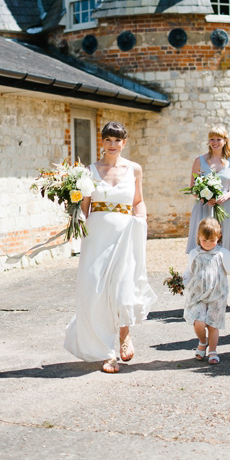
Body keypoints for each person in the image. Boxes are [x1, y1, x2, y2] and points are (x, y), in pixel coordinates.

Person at [64, 121, 157, 373]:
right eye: (108, 140)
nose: (112, 145)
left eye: (117, 140)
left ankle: (124, 335)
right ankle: (106, 352)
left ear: (124, 143)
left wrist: (142, 219)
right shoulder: (89, 171)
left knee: (122, 286)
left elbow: (138, 201)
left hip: (126, 233)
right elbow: (84, 208)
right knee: (95, 290)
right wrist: (77, 222)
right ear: (102, 142)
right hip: (97, 235)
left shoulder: (134, 169)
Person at [183, 217, 230, 364]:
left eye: (212, 240)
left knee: (213, 324)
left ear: (218, 237)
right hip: (198, 295)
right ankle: (203, 341)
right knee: (198, 322)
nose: (208, 244)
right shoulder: (195, 253)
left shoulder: (223, 253)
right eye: (205, 240)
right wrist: (181, 283)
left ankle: (213, 350)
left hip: (218, 295)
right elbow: (189, 272)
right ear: (199, 237)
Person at [186, 125, 230, 255]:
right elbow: (193, 188)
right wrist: (203, 197)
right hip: (204, 207)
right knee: (203, 243)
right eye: (212, 139)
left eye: (218, 139)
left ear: (225, 141)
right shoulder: (199, 160)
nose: (215, 142)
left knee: (225, 245)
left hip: (226, 207)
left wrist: (225, 196)